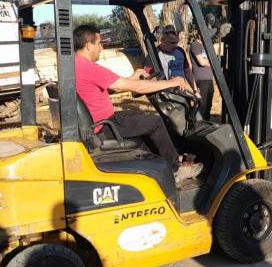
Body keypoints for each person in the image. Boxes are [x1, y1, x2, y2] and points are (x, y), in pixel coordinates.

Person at [72, 24, 203, 184]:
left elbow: (112, 87)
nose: (101, 47)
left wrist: (133, 77)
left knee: (144, 121)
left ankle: (169, 159)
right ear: (88, 45)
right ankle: (175, 170)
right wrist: (171, 82)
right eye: (99, 43)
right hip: (104, 125)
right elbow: (138, 87)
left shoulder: (75, 65)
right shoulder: (90, 68)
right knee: (154, 122)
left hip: (99, 122)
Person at [144, 25, 199, 98]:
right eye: (172, 42)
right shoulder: (153, 55)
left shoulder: (180, 51)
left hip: (182, 93)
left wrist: (195, 91)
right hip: (166, 97)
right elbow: (146, 79)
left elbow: (187, 72)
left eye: (177, 42)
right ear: (162, 40)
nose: (175, 45)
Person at [188, 30, 215, 120]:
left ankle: (206, 121)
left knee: (209, 103)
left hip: (209, 79)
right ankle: (199, 123)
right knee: (202, 104)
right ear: (199, 34)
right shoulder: (195, 45)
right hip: (201, 79)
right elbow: (202, 62)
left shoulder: (205, 46)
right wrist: (214, 63)